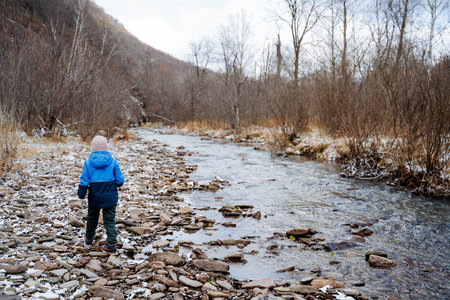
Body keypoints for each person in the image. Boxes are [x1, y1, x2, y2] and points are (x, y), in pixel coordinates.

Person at [77, 135, 124, 255]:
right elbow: (120, 181)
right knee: (109, 220)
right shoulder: (113, 161)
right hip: (110, 196)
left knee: (92, 218)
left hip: (95, 196)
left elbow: (84, 180)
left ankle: (88, 239)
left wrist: (81, 193)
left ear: (92, 148)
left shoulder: (88, 163)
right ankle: (112, 245)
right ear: (106, 148)